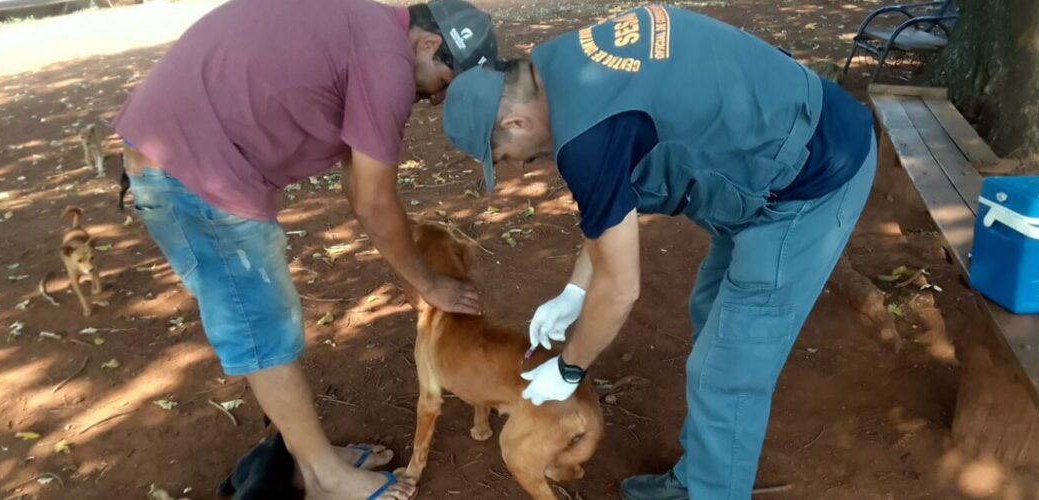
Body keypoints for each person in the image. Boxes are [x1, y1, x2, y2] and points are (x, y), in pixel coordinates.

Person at [440, 6, 876, 499]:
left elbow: (622, 288)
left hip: (811, 179)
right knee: (710, 315)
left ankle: (712, 491)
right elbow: (613, 209)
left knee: (726, 371)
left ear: (516, 122)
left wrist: (568, 368)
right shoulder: (561, 66)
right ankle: (698, 479)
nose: (516, 169)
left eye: (502, 158)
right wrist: (573, 291)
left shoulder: (585, 136)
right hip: (766, 149)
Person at [113, 0, 497, 498]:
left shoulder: (365, 29)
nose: (439, 99)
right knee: (262, 328)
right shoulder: (387, 63)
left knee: (267, 319)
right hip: (191, 169)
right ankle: (322, 479)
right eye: (447, 81)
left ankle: (310, 456)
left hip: (181, 152)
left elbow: (358, 187)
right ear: (427, 44)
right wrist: (427, 284)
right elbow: (376, 203)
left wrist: (408, 273)